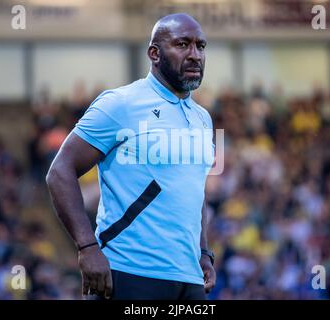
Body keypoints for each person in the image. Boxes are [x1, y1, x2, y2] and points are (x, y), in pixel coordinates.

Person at [46, 13, 216, 300]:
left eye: (200, 46)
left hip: (188, 277)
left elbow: (192, 192)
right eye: (182, 44)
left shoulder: (203, 118)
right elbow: (59, 172)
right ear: (154, 54)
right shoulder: (121, 103)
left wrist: (203, 253)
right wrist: (87, 248)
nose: (194, 55)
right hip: (127, 271)